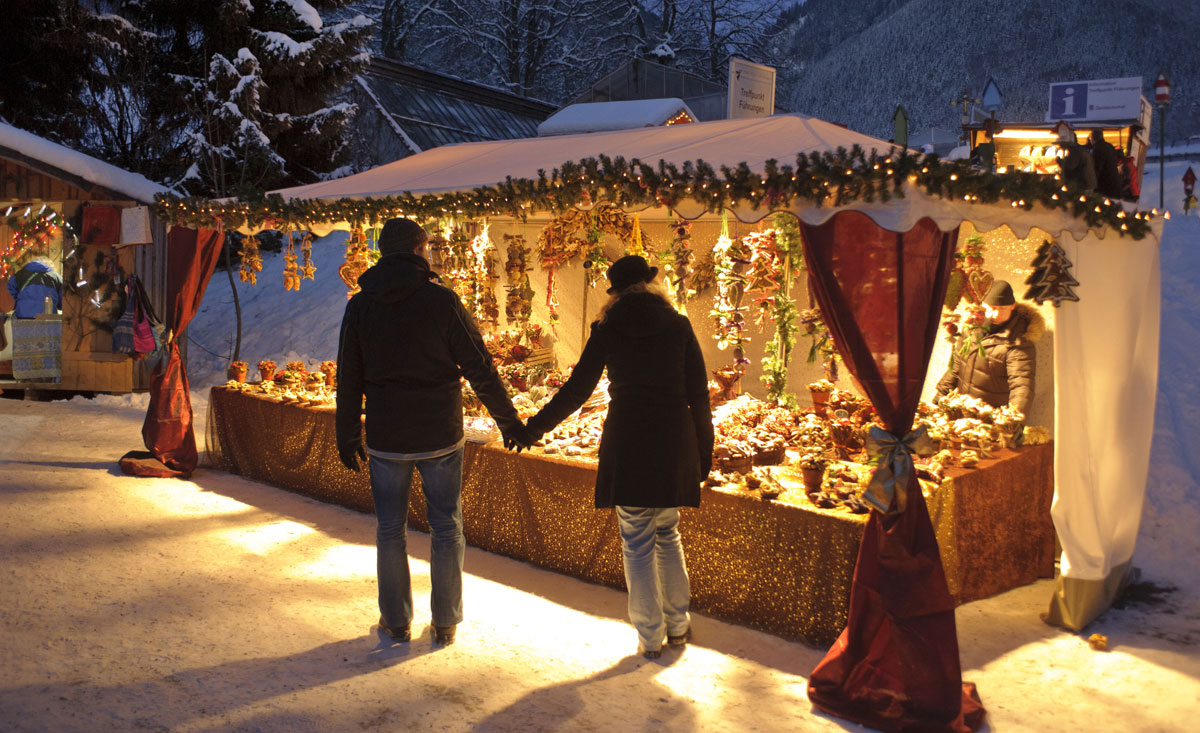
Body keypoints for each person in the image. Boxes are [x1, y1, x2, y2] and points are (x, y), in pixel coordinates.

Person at [335, 217, 531, 646]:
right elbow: (479, 366)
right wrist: (508, 420)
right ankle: (445, 621)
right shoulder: (442, 302)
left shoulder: (361, 305)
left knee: (390, 530)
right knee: (446, 527)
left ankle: (397, 621)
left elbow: (348, 376)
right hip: (440, 433)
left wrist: (347, 432)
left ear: (383, 253)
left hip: (388, 435)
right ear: (421, 250)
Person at [520, 255, 713, 659]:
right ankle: (677, 626)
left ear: (616, 292)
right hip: (673, 440)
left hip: (629, 440)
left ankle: (649, 637)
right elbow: (699, 394)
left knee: (638, 542)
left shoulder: (608, 328)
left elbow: (576, 391)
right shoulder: (678, 325)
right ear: (651, 284)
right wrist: (703, 452)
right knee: (667, 533)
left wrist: (533, 428)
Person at [936, 280, 1043, 435]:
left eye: (1002, 308)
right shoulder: (970, 329)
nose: (995, 314)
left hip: (989, 423)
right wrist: (941, 394)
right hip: (960, 414)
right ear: (983, 305)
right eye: (991, 308)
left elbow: (1021, 386)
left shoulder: (1019, 342)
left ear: (1012, 306)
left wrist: (1012, 422)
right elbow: (956, 366)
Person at [1055, 122, 1097, 191]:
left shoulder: (1075, 151)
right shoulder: (1079, 149)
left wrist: (1060, 161)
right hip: (1088, 183)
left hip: (1083, 184)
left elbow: (1070, 165)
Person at [1088, 128, 1123, 199]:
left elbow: (1097, 168)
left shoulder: (1098, 149)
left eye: (1090, 138)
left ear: (1093, 138)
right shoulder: (1109, 146)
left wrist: (1092, 184)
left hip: (1105, 185)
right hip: (1115, 182)